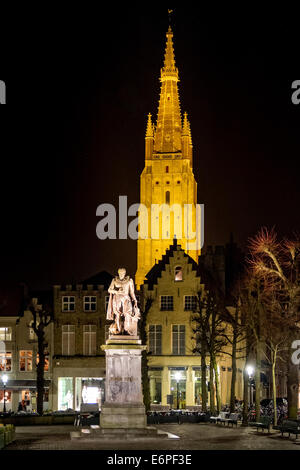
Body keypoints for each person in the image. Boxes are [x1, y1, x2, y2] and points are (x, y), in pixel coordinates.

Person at [107, 268, 141, 336]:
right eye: (120, 273)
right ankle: (119, 330)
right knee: (118, 315)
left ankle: (126, 329)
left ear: (125, 273)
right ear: (118, 273)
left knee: (127, 314)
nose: (121, 275)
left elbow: (131, 292)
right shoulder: (114, 280)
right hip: (117, 299)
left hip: (126, 299)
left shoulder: (129, 281)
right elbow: (109, 290)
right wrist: (116, 291)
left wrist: (135, 300)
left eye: (122, 273)